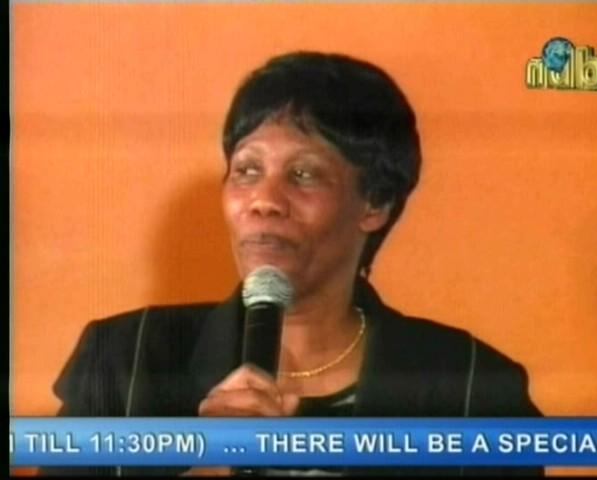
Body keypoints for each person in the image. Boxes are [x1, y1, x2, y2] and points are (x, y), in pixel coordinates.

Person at [42, 52, 543, 477]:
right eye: (247, 170)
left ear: (375, 204)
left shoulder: (474, 388)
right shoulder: (122, 363)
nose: (263, 201)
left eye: (303, 174)